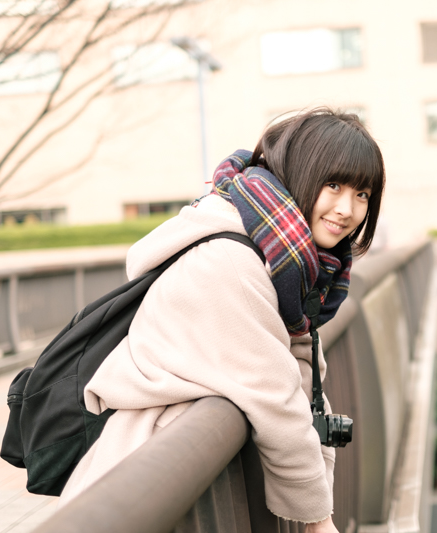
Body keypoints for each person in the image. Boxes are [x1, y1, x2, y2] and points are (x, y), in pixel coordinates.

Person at [59, 108, 385, 533]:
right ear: (301, 174)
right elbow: (276, 399)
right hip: (157, 482)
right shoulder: (232, 260)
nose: (347, 209)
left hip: (185, 475)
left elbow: (303, 382)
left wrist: (318, 501)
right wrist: (319, 520)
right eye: (334, 185)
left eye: (362, 194)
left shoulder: (288, 265)